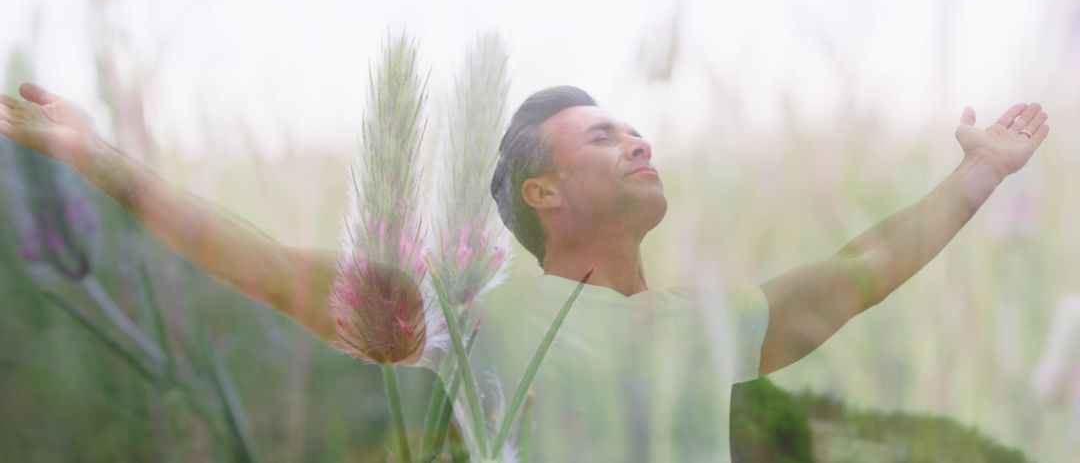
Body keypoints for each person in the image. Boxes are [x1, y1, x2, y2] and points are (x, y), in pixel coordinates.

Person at [0, 82, 1051, 460]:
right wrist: (98, 157)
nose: (639, 141)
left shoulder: (700, 323)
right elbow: (275, 269)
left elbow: (851, 277)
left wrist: (978, 180)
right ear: (543, 194)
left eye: (637, 128)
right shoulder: (476, 318)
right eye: (604, 136)